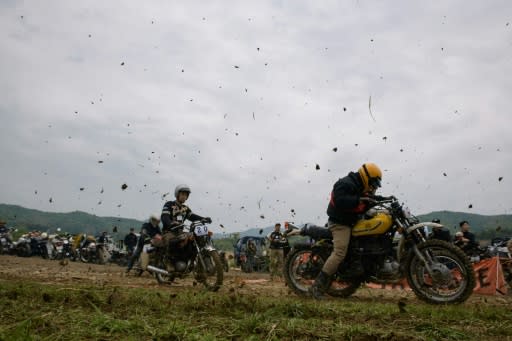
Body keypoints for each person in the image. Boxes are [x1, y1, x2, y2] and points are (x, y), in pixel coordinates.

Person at [310, 162, 383, 299]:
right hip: (340, 223)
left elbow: (366, 199)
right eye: (373, 183)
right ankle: (317, 287)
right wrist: (360, 199)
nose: (373, 187)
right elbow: (339, 200)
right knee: (339, 252)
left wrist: (381, 199)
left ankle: (358, 266)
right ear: (366, 176)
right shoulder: (346, 183)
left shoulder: (361, 186)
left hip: (352, 221)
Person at [160, 184, 211, 248]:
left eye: (186, 195)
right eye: (183, 194)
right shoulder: (169, 204)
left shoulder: (185, 208)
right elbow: (164, 217)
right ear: (177, 195)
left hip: (180, 233)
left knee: (194, 238)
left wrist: (204, 219)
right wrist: (170, 223)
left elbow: (192, 216)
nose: (184, 196)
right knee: (173, 244)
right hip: (168, 232)